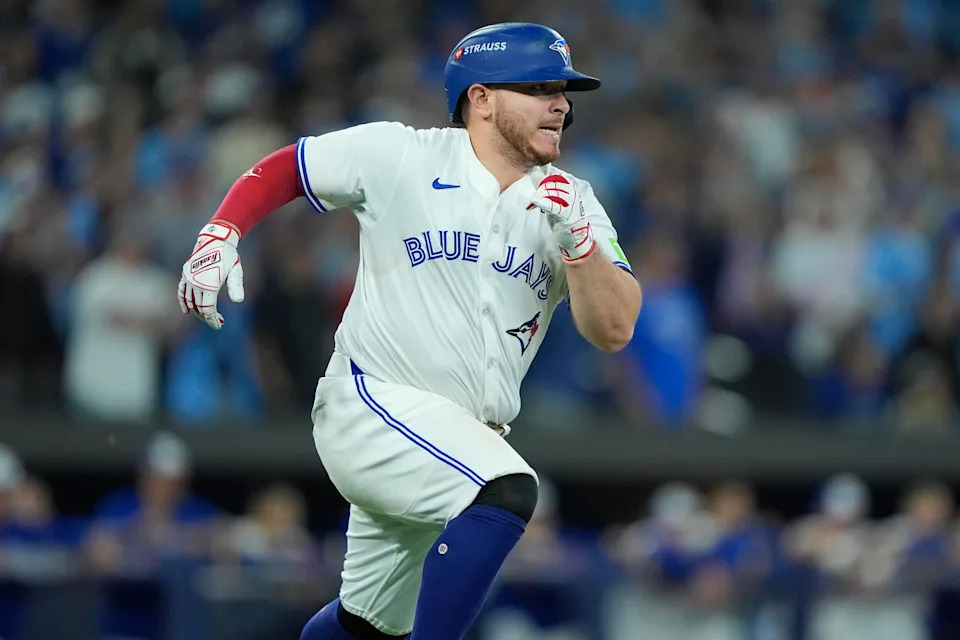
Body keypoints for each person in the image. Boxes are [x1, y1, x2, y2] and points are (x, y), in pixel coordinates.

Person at [177, 22, 641, 640]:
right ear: (481, 98)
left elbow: (615, 328)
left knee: (365, 626)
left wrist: (581, 249)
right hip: (373, 403)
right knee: (505, 490)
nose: (560, 103)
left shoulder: (574, 200)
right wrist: (222, 230)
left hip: (455, 438)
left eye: (563, 91)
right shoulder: (403, 154)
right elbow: (290, 166)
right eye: (538, 87)